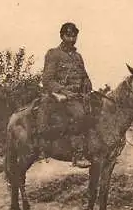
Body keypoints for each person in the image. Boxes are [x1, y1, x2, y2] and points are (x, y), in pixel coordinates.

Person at [37, 22, 93, 168]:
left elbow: (84, 76)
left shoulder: (78, 57)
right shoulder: (53, 53)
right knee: (79, 114)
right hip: (61, 95)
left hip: (79, 95)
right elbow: (47, 80)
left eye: (74, 35)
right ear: (62, 36)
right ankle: (78, 154)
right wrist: (64, 92)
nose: (72, 39)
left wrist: (88, 85)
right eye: (68, 35)